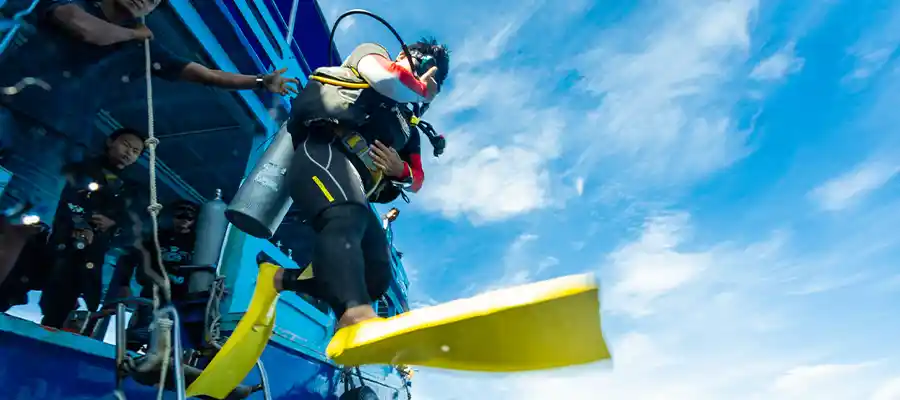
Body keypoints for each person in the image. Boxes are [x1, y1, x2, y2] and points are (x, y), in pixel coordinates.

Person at [272, 38, 450, 330]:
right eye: (422, 66)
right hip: (324, 153)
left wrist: (399, 168)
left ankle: (280, 279)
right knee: (347, 214)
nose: (426, 79)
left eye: (435, 80)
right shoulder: (370, 54)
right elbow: (387, 78)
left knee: (377, 275)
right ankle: (355, 315)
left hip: (356, 185)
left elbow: (417, 179)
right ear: (406, 56)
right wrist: (420, 88)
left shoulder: (409, 127)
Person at [0, 128, 144, 327]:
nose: (129, 153)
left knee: (59, 309)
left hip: (85, 257)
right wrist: (80, 223)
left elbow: (131, 227)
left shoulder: (130, 190)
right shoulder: (80, 168)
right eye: (126, 145)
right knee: (13, 286)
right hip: (51, 241)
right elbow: (62, 198)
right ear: (110, 142)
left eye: (136, 151)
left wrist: (113, 224)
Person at [108, 199, 202, 349]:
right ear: (172, 217)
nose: (183, 221)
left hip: (180, 300)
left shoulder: (198, 243)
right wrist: (124, 284)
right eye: (179, 216)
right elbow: (129, 258)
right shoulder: (157, 237)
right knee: (136, 336)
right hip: (151, 296)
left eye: (189, 218)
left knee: (170, 343)